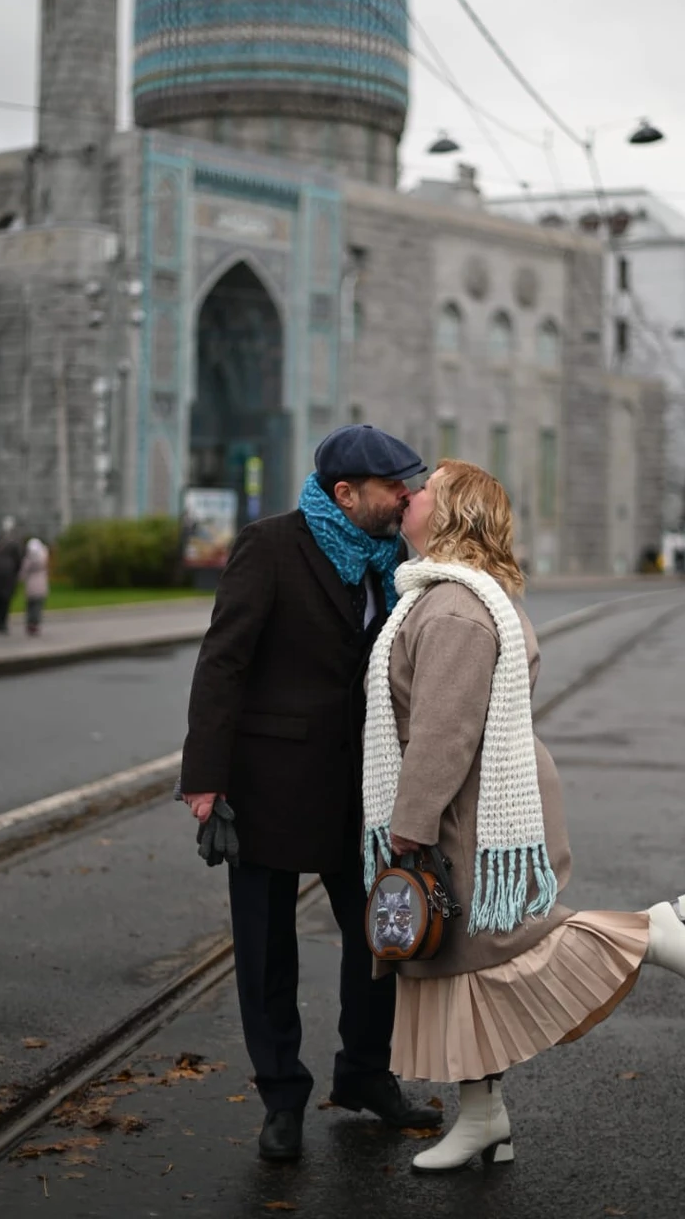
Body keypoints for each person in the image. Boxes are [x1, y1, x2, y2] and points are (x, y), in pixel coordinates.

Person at [363, 460, 685, 1173]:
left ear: (453, 510)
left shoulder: (456, 610)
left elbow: (444, 731)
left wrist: (411, 822)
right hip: (467, 805)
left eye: (426, 487)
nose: (411, 495)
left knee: (502, 958)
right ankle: (484, 1118)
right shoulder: (442, 596)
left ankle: (652, 933)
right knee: (463, 968)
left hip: (464, 812)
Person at [179, 425, 443, 1163]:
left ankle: (365, 1075)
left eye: (411, 485)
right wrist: (205, 777)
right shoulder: (270, 546)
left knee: (381, 940)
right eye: (396, 488)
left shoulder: (399, 561)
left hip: (364, 792)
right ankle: (281, 1097)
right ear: (345, 494)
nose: (408, 498)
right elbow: (222, 662)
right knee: (266, 951)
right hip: (268, 785)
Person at [19, 537, 50, 636]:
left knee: (30, 606)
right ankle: (36, 624)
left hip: (31, 585)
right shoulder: (44, 556)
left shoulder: (28, 559)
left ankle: (30, 624)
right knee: (38, 607)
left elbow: (23, 572)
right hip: (42, 584)